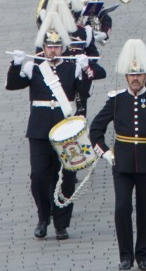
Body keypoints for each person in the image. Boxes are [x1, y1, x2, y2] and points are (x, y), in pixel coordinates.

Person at [6, 12, 98, 241]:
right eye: (49, 47)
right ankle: (43, 216)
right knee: (38, 176)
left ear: (63, 47)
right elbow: (13, 84)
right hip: (38, 130)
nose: (53, 51)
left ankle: (61, 223)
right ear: (43, 48)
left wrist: (85, 71)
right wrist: (16, 65)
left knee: (66, 177)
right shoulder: (34, 67)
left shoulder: (70, 66)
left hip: (65, 131)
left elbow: (83, 93)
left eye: (57, 47)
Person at [90, 39, 146, 271]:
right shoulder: (117, 100)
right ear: (126, 76)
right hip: (122, 165)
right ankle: (125, 256)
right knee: (122, 208)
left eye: (139, 74)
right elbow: (95, 130)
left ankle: (144, 256)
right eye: (131, 74)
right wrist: (105, 152)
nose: (135, 78)